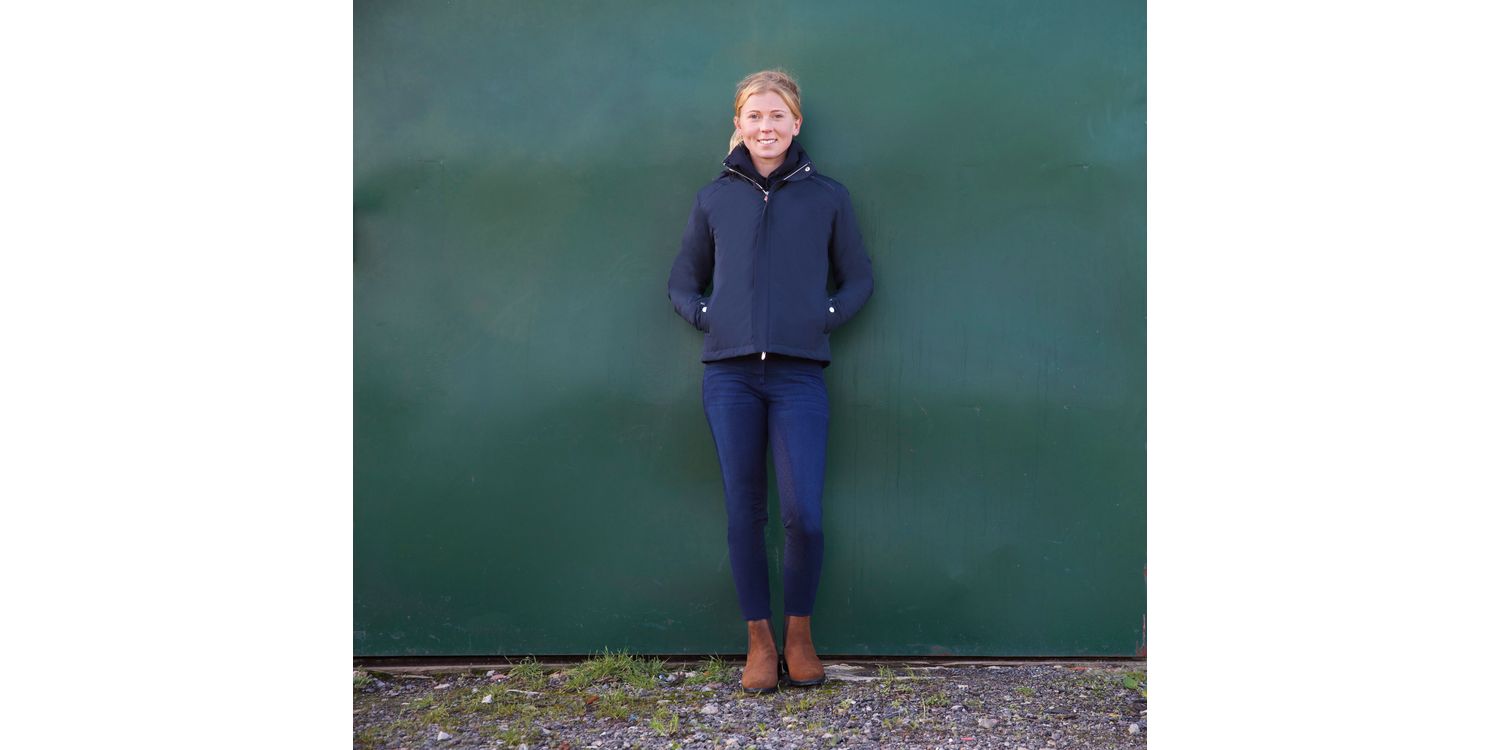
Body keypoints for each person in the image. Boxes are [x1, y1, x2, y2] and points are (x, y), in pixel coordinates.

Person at [667, 70, 875, 693]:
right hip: (729, 377)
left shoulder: (828, 197)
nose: (766, 127)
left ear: (796, 123)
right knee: (744, 513)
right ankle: (758, 642)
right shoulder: (714, 199)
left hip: (798, 375)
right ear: (739, 123)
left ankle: (799, 636)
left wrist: (822, 316)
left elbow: (859, 279)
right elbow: (682, 281)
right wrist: (710, 317)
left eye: (777, 116)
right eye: (754, 116)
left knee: (803, 514)